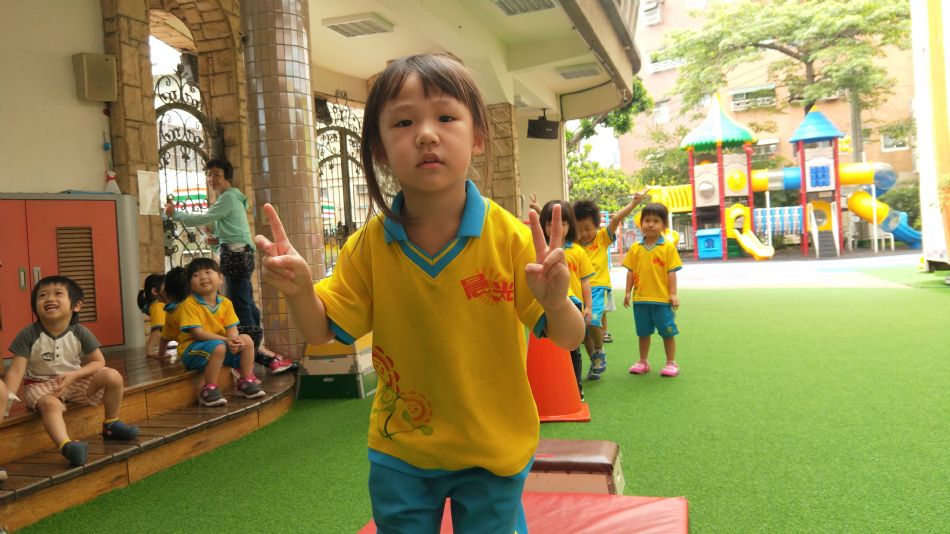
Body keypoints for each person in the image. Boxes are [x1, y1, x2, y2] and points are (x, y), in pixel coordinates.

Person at [255, 53, 584, 533]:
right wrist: (301, 291)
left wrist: (556, 302)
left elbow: (570, 338)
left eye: (446, 117)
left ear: (477, 137)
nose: (427, 134)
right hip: (402, 450)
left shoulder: (511, 239)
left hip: (493, 449)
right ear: (380, 148)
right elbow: (322, 331)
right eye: (404, 122)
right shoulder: (368, 246)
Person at [165, 158, 293, 375]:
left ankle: (253, 352)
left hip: (235, 256)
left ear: (228, 177)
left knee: (239, 305)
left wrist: (175, 214)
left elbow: (206, 218)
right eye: (209, 175)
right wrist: (216, 239)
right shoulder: (234, 199)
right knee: (246, 302)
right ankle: (259, 349)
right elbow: (229, 230)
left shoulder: (228, 197)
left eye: (217, 174)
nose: (211, 179)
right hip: (240, 254)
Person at [1, 276, 139, 466]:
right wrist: (6, 403)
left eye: (58, 293)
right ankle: (66, 445)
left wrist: (75, 375)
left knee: (112, 376)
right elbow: (16, 370)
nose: (50, 298)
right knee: (51, 405)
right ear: (35, 306)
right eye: (42, 295)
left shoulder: (79, 331)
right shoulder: (29, 334)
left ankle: (111, 424)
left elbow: (99, 361)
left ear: (76, 305)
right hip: (40, 385)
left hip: (74, 380)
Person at [175, 258, 265, 406]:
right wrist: (226, 341)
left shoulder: (225, 303)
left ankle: (245, 381)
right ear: (190, 284)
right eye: (196, 275)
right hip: (191, 350)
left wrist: (234, 340)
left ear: (221, 278)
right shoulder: (189, 304)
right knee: (219, 347)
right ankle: (209, 389)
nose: (203, 277)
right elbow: (198, 333)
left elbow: (232, 329)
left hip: (220, 347)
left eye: (208, 272)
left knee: (247, 340)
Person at [573, 192, 644, 379]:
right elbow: (557, 227)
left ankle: (600, 351)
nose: (583, 233)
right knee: (583, 333)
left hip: (597, 287)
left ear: (596, 225)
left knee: (592, 320)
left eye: (587, 228)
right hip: (577, 289)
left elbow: (617, 218)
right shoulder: (574, 243)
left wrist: (633, 203)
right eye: (579, 229)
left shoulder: (602, 238)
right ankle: (595, 360)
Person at [622, 202, 682, 377]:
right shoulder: (636, 248)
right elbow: (630, 272)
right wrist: (627, 292)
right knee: (643, 333)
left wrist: (673, 294)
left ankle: (671, 362)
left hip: (662, 300)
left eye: (656, 221)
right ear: (641, 223)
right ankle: (643, 361)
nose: (650, 224)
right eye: (647, 220)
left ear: (664, 225)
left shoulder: (667, 248)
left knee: (667, 333)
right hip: (641, 299)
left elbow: (672, 272)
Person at [539, 200, 592, 398]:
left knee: (573, 349)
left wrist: (588, 306)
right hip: (547, 308)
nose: (556, 227)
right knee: (549, 350)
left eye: (562, 223)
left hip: (573, 307)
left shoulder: (577, 252)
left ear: (570, 225)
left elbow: (585, 281)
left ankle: (576, 387)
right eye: (550, 223)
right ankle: (551, 388)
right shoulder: (540, 251)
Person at [137, 273, 166, 358]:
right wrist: (150, 350)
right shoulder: (158, 306)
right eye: (166, 287)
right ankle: (149, 350)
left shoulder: (160, 305)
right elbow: (157, 331)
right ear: (155, 291)